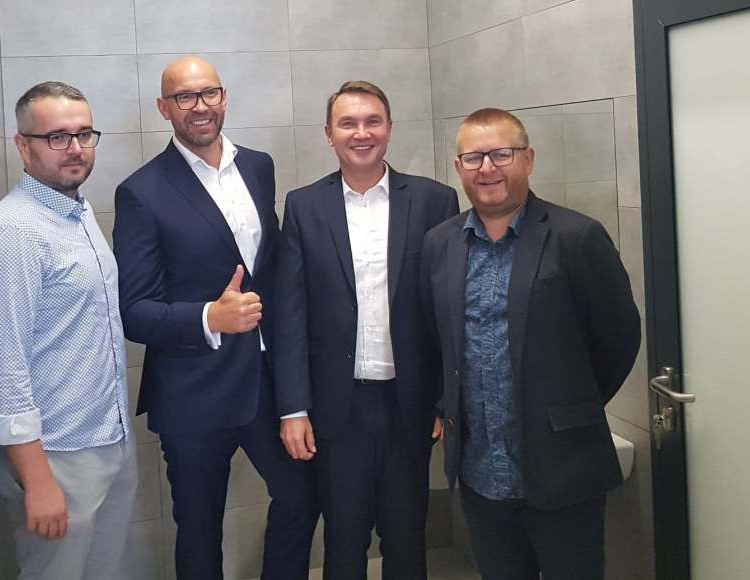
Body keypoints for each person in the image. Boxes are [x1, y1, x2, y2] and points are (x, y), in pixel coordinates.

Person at [112, 56, 318, 580]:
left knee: (302, 494)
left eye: (208, 93)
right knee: (200, 529)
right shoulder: (141, 192)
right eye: (184, 97)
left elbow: (269, 267)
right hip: (192, 392)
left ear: (224, 98)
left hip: (267, 382)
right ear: (164, 108)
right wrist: (209, 317)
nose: (199, 106)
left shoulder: (259, 166)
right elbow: (134, 311)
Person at [420, 107, 641, 580]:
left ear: (528, 159)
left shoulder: (575, 237)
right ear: (459, 167)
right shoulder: (440, 244)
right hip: (481, 474)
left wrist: (569, 407)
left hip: (563, 467)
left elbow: (619, 337)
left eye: (502, 154)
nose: (488, 168)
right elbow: (436, 337)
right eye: (474, 157)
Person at [273, 80, 459, 579]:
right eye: (348, 123)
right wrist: (293, 408)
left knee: (407, 539)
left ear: (389, 129)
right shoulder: (304, 206)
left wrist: (444, 400)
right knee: (344, 542)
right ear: (328, 133)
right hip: (337, 408)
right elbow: (290, 316)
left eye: (372, 121)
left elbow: (448, 313)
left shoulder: (434, 201)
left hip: (410, 405)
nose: (361, 133)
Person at [0, 81, 136, 580]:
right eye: (57, 137)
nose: (76, 148)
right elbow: (4, 368)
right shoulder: (14, 233)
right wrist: (38, 480)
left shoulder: (75, 213)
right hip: (56, 456)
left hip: (106, 439)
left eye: (84, 134)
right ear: (23, 146)